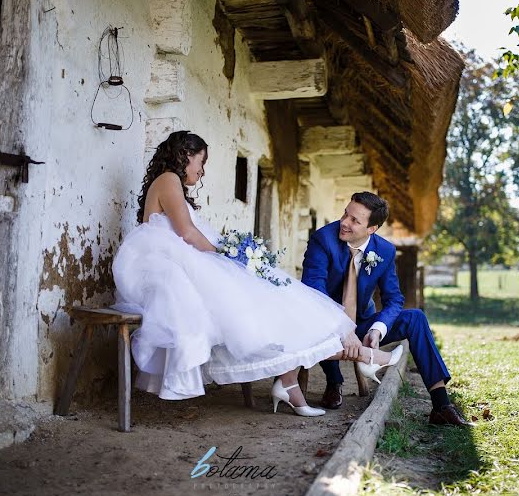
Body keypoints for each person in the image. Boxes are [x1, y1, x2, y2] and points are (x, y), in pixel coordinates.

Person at [112, 132, 403, 417]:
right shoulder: (168, 179)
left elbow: (188, 233)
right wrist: (228, 254)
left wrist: (233, 254)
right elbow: (187, 233)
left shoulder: (169, 182)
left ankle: (291, 383)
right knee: (267, 304)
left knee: (278, 295)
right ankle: (358, 359)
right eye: (201, 162)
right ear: (186, 156)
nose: (201, 171)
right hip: (168, 266)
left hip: (180, 262)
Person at [301, 192, 471, 426]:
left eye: (355, 221)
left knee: (415, 318)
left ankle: (441, 405)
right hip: (323, 323)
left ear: (372, 228)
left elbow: (393, 299)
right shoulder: (323, 240)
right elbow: (314, 291)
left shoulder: (385, 251)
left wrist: (378, 330)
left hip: (362, 322)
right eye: (345, 214)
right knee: (323, 324)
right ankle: (334, 381)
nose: (344, 223)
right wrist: (342, 329)